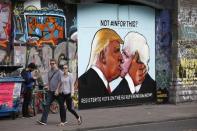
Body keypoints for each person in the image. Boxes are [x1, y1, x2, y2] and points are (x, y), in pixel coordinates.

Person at [78, 28, 123, 108]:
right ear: (102, 56)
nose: (121, 58)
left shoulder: (90, 81)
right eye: (116, 51)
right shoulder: (87, 86)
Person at [113, 32, 156, 100]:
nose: (121, 58)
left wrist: (129, 81)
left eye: (126, 55)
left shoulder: (153, 87)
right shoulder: (120, 88)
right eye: (122, 52)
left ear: (139, 62)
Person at [37, 59, 62, 125]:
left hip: (58, 92)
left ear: (56, 64)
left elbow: (60, 81)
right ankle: (43, 121)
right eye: (51, 64)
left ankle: (63, 120)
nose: (52, 65)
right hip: (51, 92)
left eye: (53, 63)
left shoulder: (59, 72)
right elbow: (49, 81)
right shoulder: (49, 72)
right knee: (47, 105)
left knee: (61, 106)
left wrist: (57, 89)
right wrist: (47, 86)